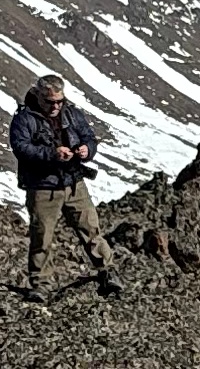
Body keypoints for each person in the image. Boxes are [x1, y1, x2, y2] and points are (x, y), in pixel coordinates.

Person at [8, 74, 119, 295]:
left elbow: (88, 136)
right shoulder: (24, 119)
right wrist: (52, 154)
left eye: (59, 101)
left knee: (91, 229)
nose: (55, 106)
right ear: (39, 96)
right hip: (43, 187)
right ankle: (41, 285)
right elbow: (21, 147)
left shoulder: (71, 113)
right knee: (42, 236)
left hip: (74, 183)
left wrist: (87, 150)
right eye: (50, 102)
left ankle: (108, 271)